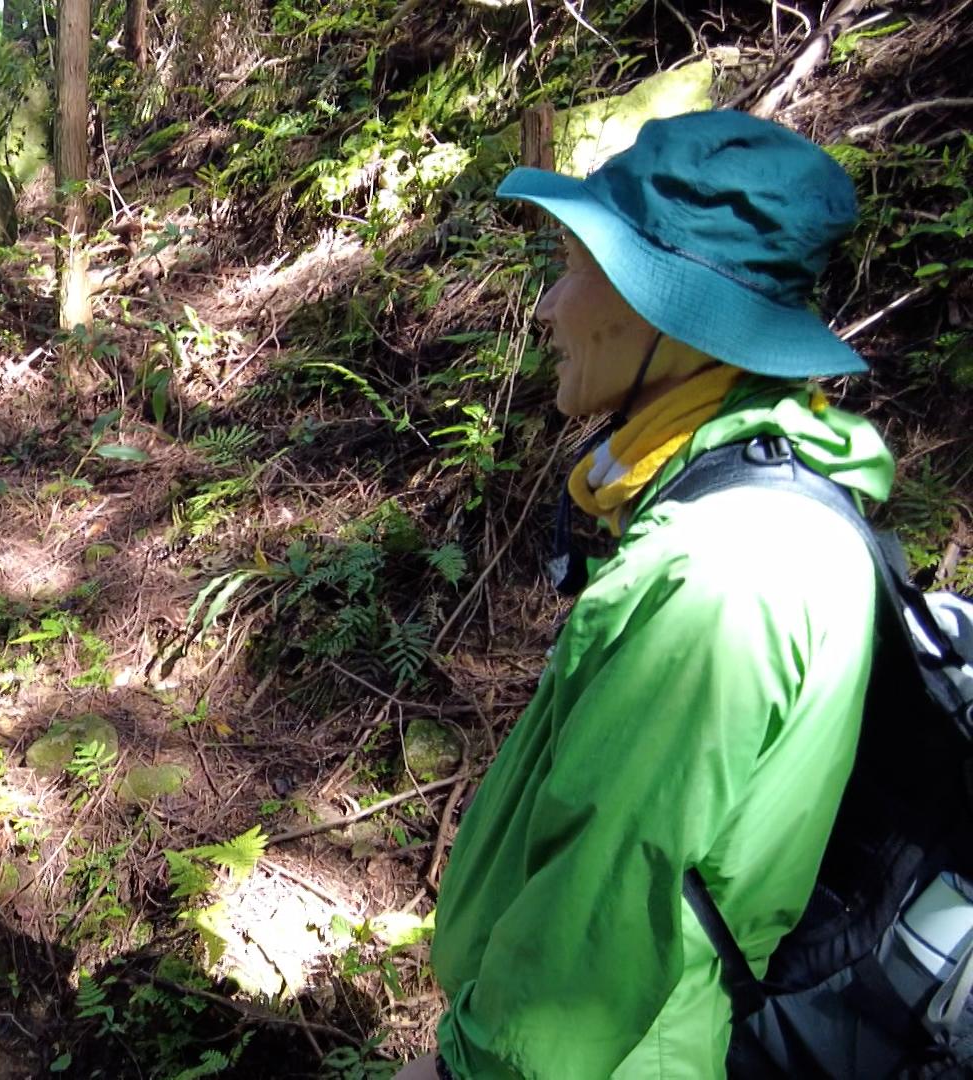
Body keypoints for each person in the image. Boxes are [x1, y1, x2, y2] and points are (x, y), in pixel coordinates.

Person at [399, 110, 895, 1078]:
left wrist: (468, 1067)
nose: (548, 306)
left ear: (659, 302)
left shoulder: (725, 568)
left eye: (573, 266)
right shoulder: (745, 504)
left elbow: (608, 907)